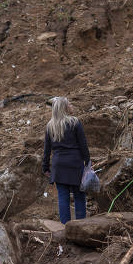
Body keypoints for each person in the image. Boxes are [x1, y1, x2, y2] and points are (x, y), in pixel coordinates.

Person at [42, 96, 91, 224]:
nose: (72, 106)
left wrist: (45, 168)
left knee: (63, 198)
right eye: (70, 104)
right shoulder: (74, 122)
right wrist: (88, 162)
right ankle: (81, 226)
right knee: (79, 196)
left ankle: (65, 227)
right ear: (64, 108)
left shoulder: (50, 126)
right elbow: (83, 145)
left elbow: (46, 150)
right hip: (75, 164)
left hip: (58, 166)